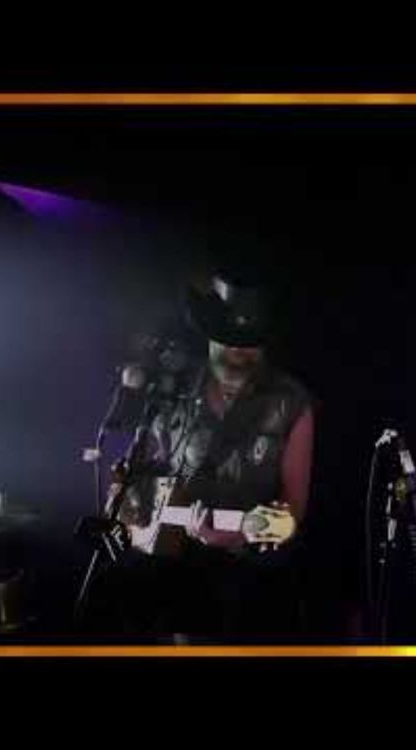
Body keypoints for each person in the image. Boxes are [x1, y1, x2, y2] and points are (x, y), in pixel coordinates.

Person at [84, 268, 316, 643]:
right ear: (209, 334)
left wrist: (234, 534)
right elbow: (138, 480)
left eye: (251, 343)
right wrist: (128, 502)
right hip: (171, 568)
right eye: (230, 341)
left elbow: (292, 513)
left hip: (249, 573)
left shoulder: (291, 402)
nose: (240, 351)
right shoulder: (173, 390)